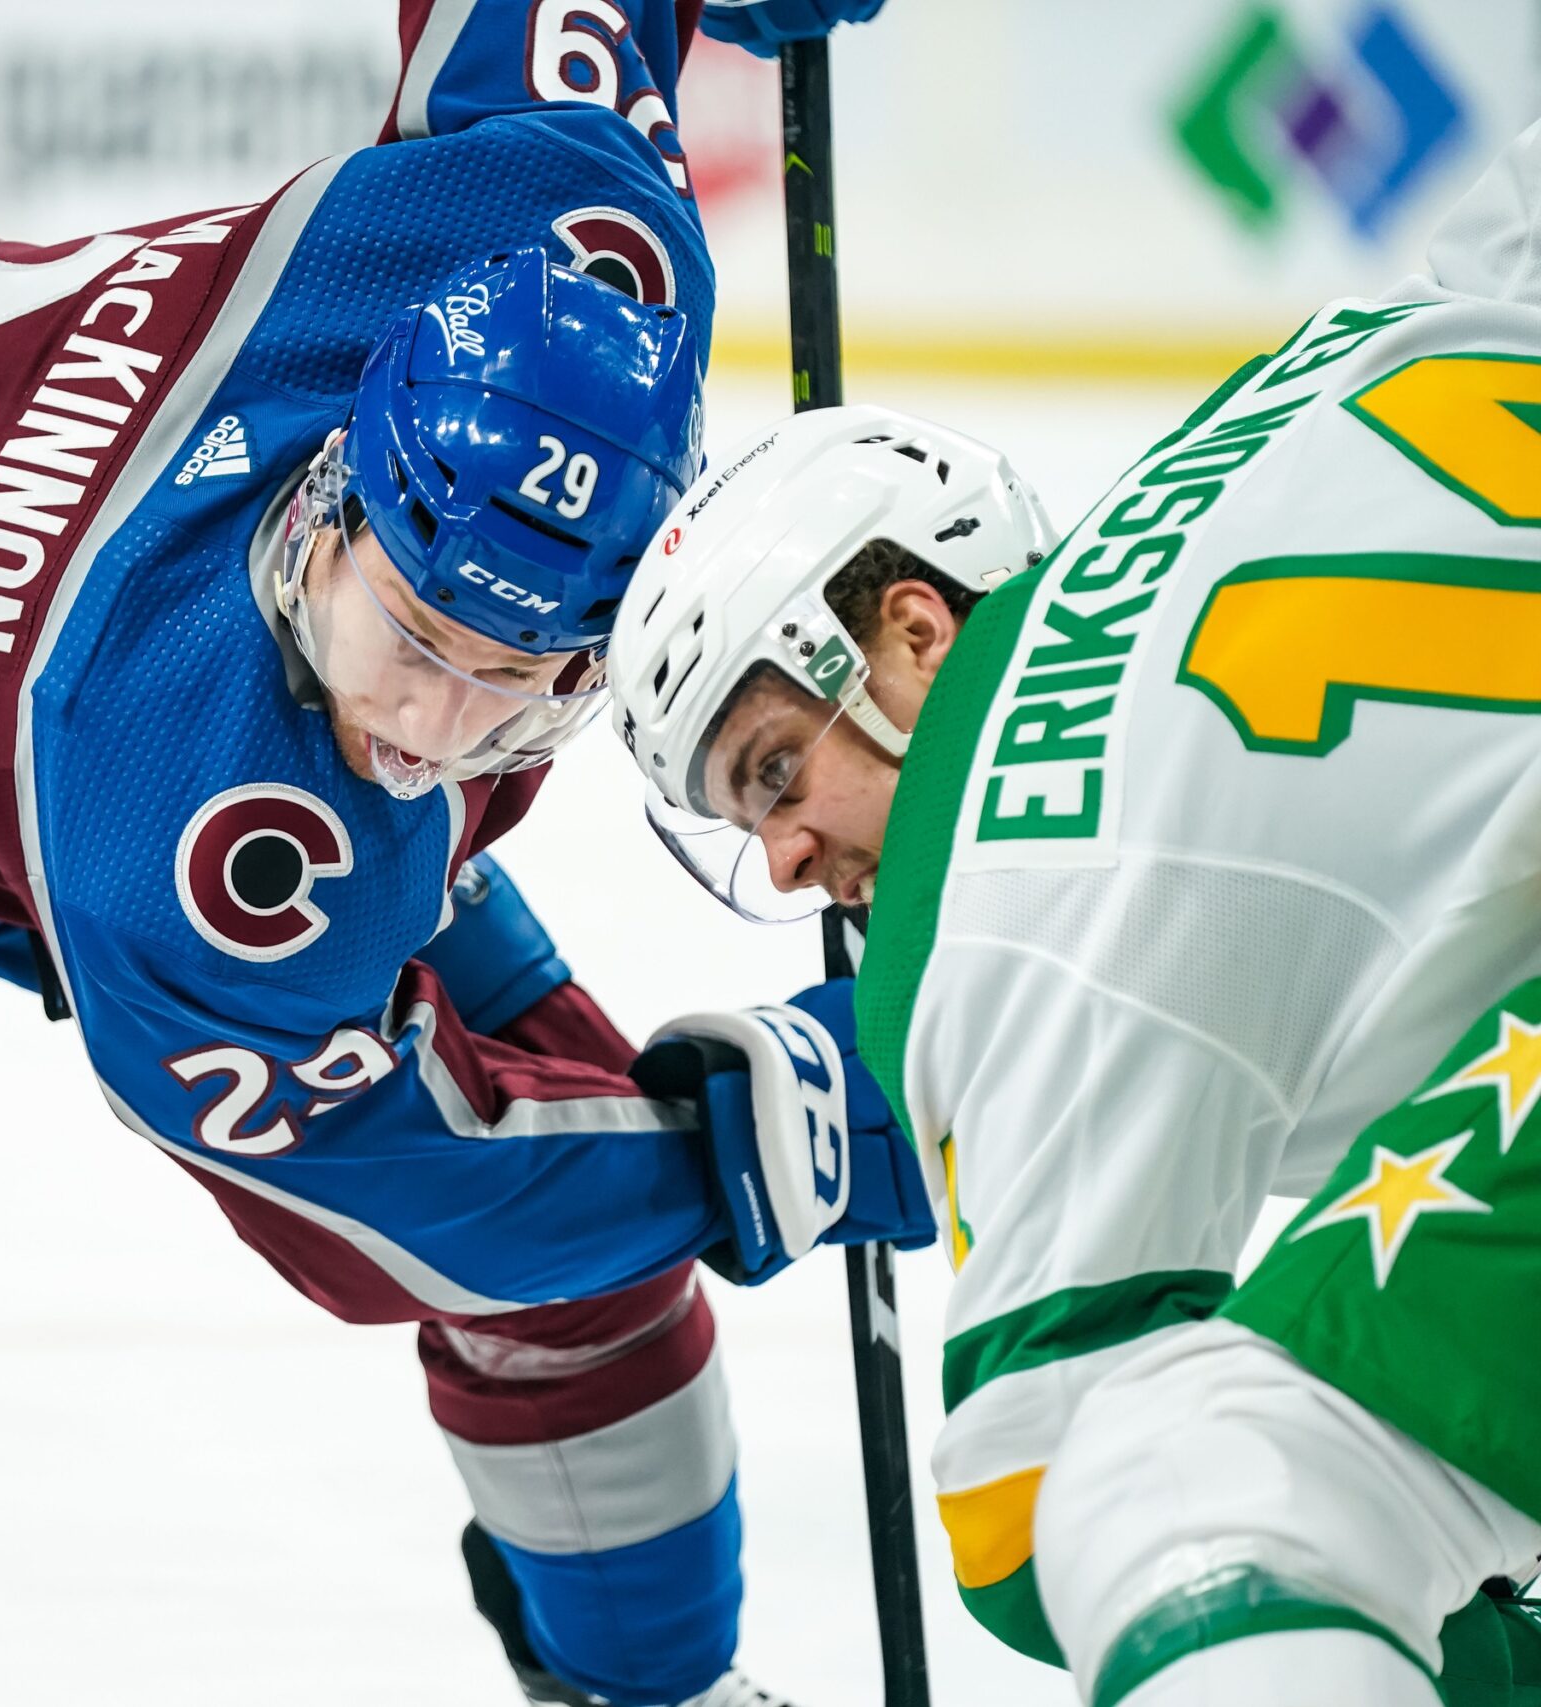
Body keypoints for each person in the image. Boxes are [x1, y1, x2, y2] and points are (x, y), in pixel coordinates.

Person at [0, 3, 921, 1703]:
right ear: (334, 502)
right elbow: (425, 1203)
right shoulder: (209, 855)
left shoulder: (566, 237)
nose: (423, 733)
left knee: (596, 1263)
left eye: (512, 694)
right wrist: (787, 1145)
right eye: (408, 639)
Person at [606, 117, 1541, 1707]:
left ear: (911, 632)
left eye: (773, 772)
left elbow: (1030, 1505)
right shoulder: (1297, 403)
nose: (780, 862)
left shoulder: (1008, 894)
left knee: (1185, 1482)